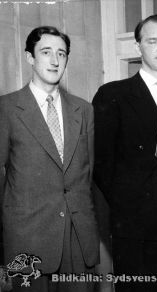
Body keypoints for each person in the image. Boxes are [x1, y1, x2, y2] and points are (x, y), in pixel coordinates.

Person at [92, 15, 157, 292]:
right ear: (138, 46)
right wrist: (129, 206)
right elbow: (102, 165)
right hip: (134, 229)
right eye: (152, 41)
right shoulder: (112, 94)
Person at [0, 26, 99, 292]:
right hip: (28, 241)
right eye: (46, 52)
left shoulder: (84, 110)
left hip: (78, 240)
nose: (55, 61)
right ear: (30, 58)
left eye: (62, 54)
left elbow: (88, 175)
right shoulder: (6, 109)